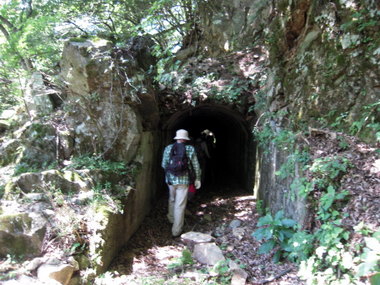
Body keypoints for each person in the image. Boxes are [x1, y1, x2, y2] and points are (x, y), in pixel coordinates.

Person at [162, 129, 201, 237]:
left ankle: (171, 218)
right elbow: (196, 166)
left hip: (170, 180)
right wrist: (197, 178)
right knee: (180, 205)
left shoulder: (168, 148)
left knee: (172, 199)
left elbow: (164, 164)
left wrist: (170, 174)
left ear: (177, 137)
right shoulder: (190, 149)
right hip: (184, 181)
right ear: (186, 139)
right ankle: (176, 231)